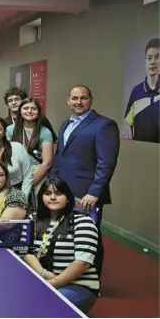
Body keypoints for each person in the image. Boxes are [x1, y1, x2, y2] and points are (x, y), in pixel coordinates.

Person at [51, 85, 120, 278]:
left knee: (88, 238)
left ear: (91, 100)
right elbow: (60, 156)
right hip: (62, 190)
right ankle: (66, 274)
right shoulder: (65, 123)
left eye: (83, 98)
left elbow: (106, 163)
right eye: (74, 98)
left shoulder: (104, 125)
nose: (78, 102)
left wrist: (94, 192)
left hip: (86, 194)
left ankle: (93, 280)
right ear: (68, 100)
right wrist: (52, 183)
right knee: (66, 235)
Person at [22, 178, 100, 313]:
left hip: (78, 285)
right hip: (43, 279)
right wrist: (45, 275)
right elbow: (25, 250)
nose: (52, 197)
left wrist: (53, 283)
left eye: (58, 194)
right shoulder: (32, 220)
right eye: (47, 193)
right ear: (41, 197)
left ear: (68, 198)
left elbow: (82, 263)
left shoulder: (83, 222)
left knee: (45, 308)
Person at [7, 97, 54, 203]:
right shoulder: (10, 129)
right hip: (15, 171)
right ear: (20, 111)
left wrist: (30, 183)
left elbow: (47, 162)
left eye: (33, 108)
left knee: (38, 206)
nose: (29, 111)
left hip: (37, 172)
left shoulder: (45, 132)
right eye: (26, 108)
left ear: (38, 111)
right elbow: (5, 153)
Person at [124, 37, 159, 143]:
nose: (153, 62)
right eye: (149, 58)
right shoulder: (136, 91)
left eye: (157, 57)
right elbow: (128, 124)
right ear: (145, 62)